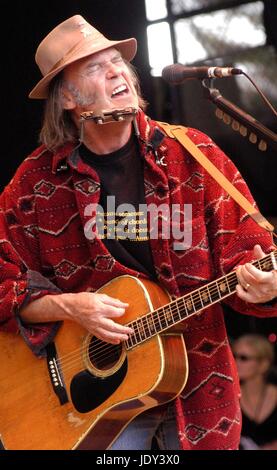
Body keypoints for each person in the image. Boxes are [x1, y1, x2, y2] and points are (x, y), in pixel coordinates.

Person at [0, 14, 277, 451]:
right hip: (87, 409)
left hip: (201, 394)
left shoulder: (194, 154)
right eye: (94, 67)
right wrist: (68, 308)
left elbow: (250, 252)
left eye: (117, 62)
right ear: (68, 97)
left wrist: (266, 286)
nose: (115, 72)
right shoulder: (35, 184)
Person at [232, 334, 277, 450]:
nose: (235, 362)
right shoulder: (228, 397)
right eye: (233, 356)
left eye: (243, 358)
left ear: (263, 364)